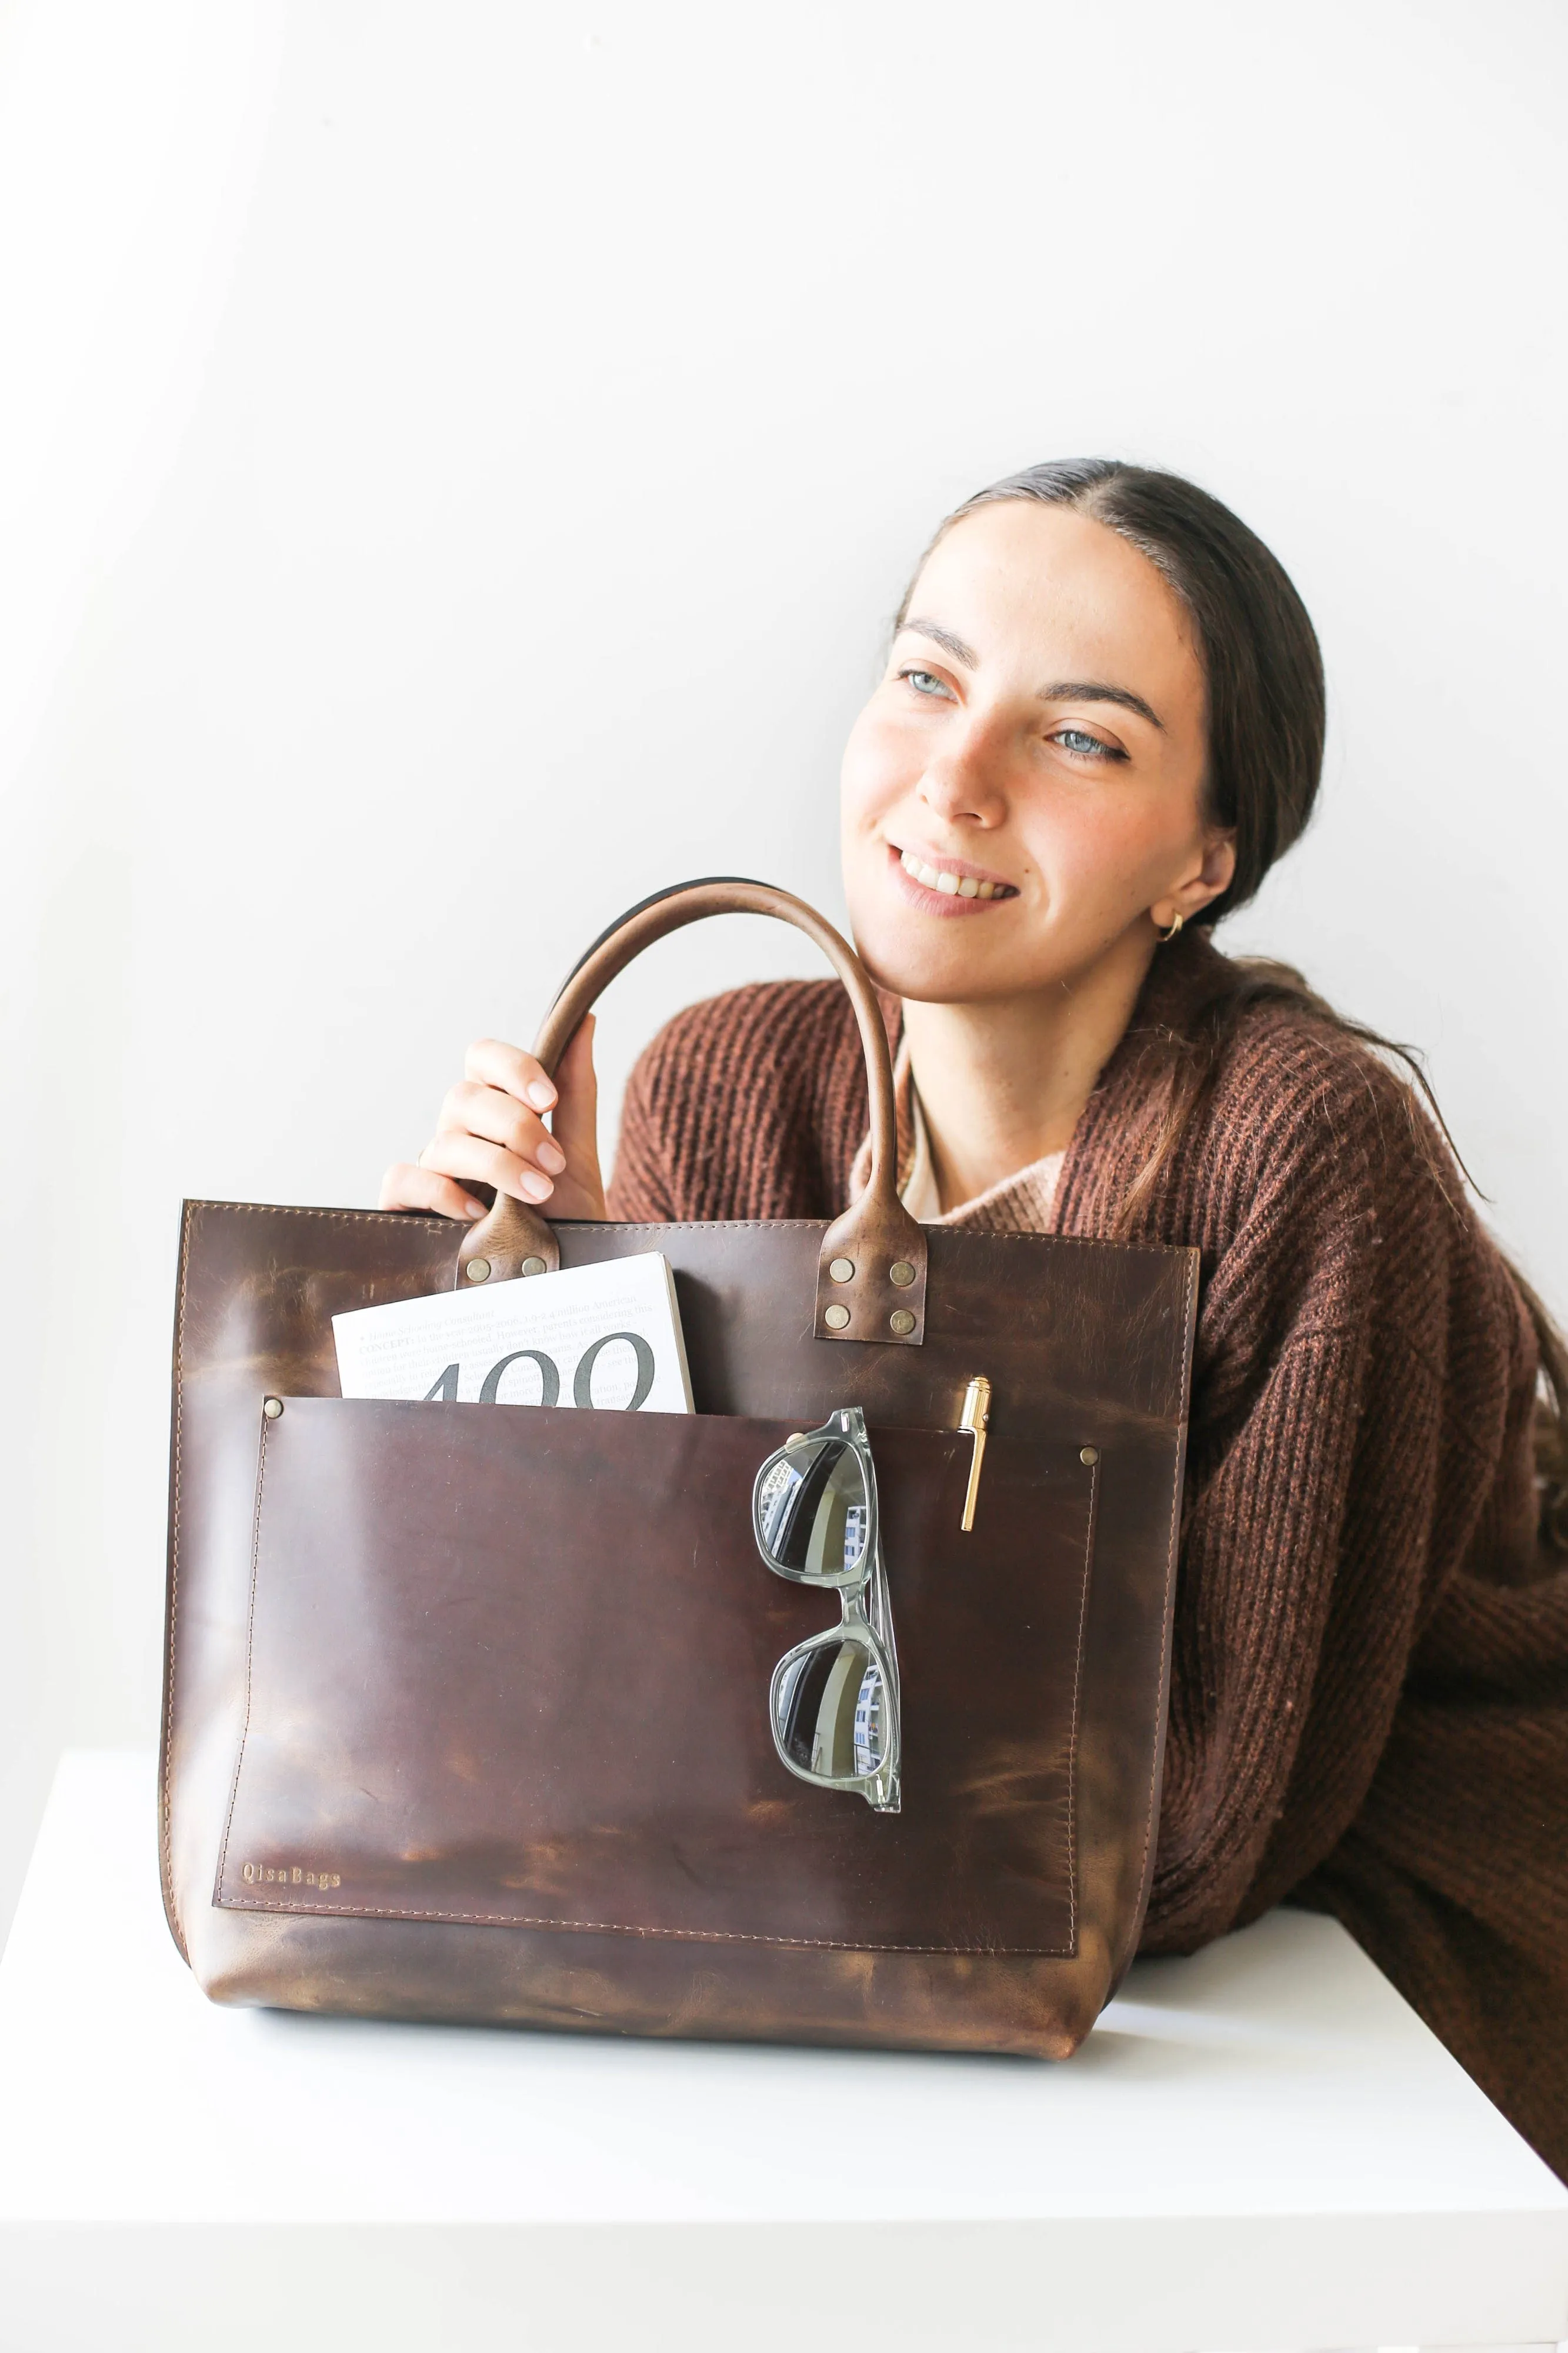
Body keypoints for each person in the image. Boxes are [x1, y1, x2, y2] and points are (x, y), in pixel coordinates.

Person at [381, 459, 1568, 2174]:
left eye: (1081, 738)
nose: (956, 778)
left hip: (1370, 1960)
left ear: (1203, 860)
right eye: (927, 681)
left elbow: (1183, 1846)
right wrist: (522, 1307)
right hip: (924, 1947)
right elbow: (610, 1707)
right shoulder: (734, 1080)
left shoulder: (1303, 1151)